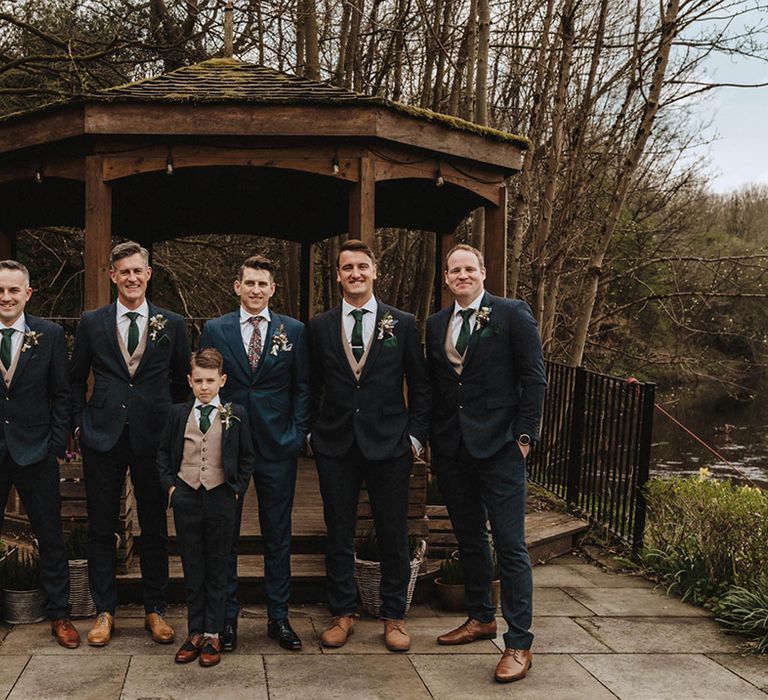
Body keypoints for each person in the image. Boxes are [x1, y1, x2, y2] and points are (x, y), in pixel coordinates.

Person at [426, 243, 546, 682]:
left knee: (511, 546)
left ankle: (519, 643)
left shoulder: (511, 314)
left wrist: (525, 438)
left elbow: (534, 377)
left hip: (500, 449)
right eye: (454, 269)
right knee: (471, 538)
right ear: (446, 277)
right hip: (454, 450)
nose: (462, 275)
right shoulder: (436, 323)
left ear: (483, 271)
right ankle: (480, 617)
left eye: (469, 268)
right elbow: (440, 387)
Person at [307, 239, 430, 652]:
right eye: (347, 268)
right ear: (338, 275)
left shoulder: (403, 323)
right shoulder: (320, 326)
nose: (355, 273)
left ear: (375, 271)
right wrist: (312, 433)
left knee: (394, 531)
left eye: (362, 266)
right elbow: (308, 385)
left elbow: (421, 385)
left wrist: (414, 437)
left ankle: (393, 616)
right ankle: (342, 613)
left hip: (389, 444)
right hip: (336, 445)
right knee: (338, 531)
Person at [70, 241, 190, 647]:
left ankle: (154, 608)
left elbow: (180, 385)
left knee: (155, 527)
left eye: (138, 271)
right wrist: (78, 426)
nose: (132, 278)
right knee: (102, 527)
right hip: (102, 434)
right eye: (124, 271)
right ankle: (105, 611)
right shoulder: (92, 322)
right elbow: (74, 378)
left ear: (149, 273)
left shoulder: (172, 323)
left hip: (153, 437)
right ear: (112, 276)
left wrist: (173, 435)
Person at [199, 255, 309, 651]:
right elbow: (206, 385)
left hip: (278, 446)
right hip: (230, 448)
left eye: (263, 284)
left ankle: (278, 617)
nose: (256, 290)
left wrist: (297, 434)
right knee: (225, 534)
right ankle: (226, 618)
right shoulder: (215, 328)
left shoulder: (293, 330)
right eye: (250, 283)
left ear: (273, 289)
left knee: (277, 534)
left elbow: (303, 388)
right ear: (237, 286)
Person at [156, 348, 255, 667]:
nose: (204, 386)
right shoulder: (177, 413)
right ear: (189, 380)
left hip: (221, 496)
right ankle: (194, 631)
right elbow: (162, 454)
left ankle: (214, 632)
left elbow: (248, 456)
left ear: (222, 380)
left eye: (210, 380)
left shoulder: (235, 412)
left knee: (219, 565)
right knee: (192, 565)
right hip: (186, 495)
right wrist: (172, 487)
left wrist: (236, 489)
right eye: (198, 380)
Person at [0, 260, 80, 649]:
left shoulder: (48, 335)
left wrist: (53, 444)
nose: (6, 297)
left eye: (14, 290)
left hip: (36, 452)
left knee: (50, 536)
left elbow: (62, 394)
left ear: (27, 294)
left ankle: (60, 615)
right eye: (0, 290)